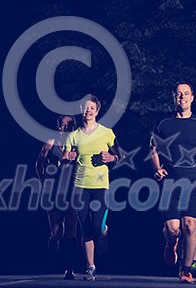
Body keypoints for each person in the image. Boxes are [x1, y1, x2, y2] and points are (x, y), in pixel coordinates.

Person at [149, 82, 196, 284]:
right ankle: (171, 243)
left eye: (186, 94)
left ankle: (186, 269)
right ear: (174, 98)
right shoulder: (163, 124)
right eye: (179, 94)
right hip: (170, 183)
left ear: (192, 98)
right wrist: (157, 168)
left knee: (190, 226)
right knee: (173, 229)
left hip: (194, 183)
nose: (182, 97)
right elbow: (153, 149)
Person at [62, 94, 123, 281]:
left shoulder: (106, 133)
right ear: (81, 110)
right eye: (85, 108)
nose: (88, 111)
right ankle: (91, 267)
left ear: (97, 111)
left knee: (96, 228)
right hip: (80, 186)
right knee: (84, 228)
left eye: (92, 108)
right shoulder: (73, 136)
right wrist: (66, 159)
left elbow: (120, 156)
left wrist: (112, 158)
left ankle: (104, 229)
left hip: (99, 186)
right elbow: (64, 159)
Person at [35, 115, 80, 280]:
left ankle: (70, 269)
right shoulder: (51, 141)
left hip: (72, 190)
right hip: (53, 190)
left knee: (71, 231)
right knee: (57, 233)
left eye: (68, 125)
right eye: (62, 125)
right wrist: (43, 182)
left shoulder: (78, 144)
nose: (65, 128)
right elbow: (39, 163)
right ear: (58, 126)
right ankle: (53, 238)